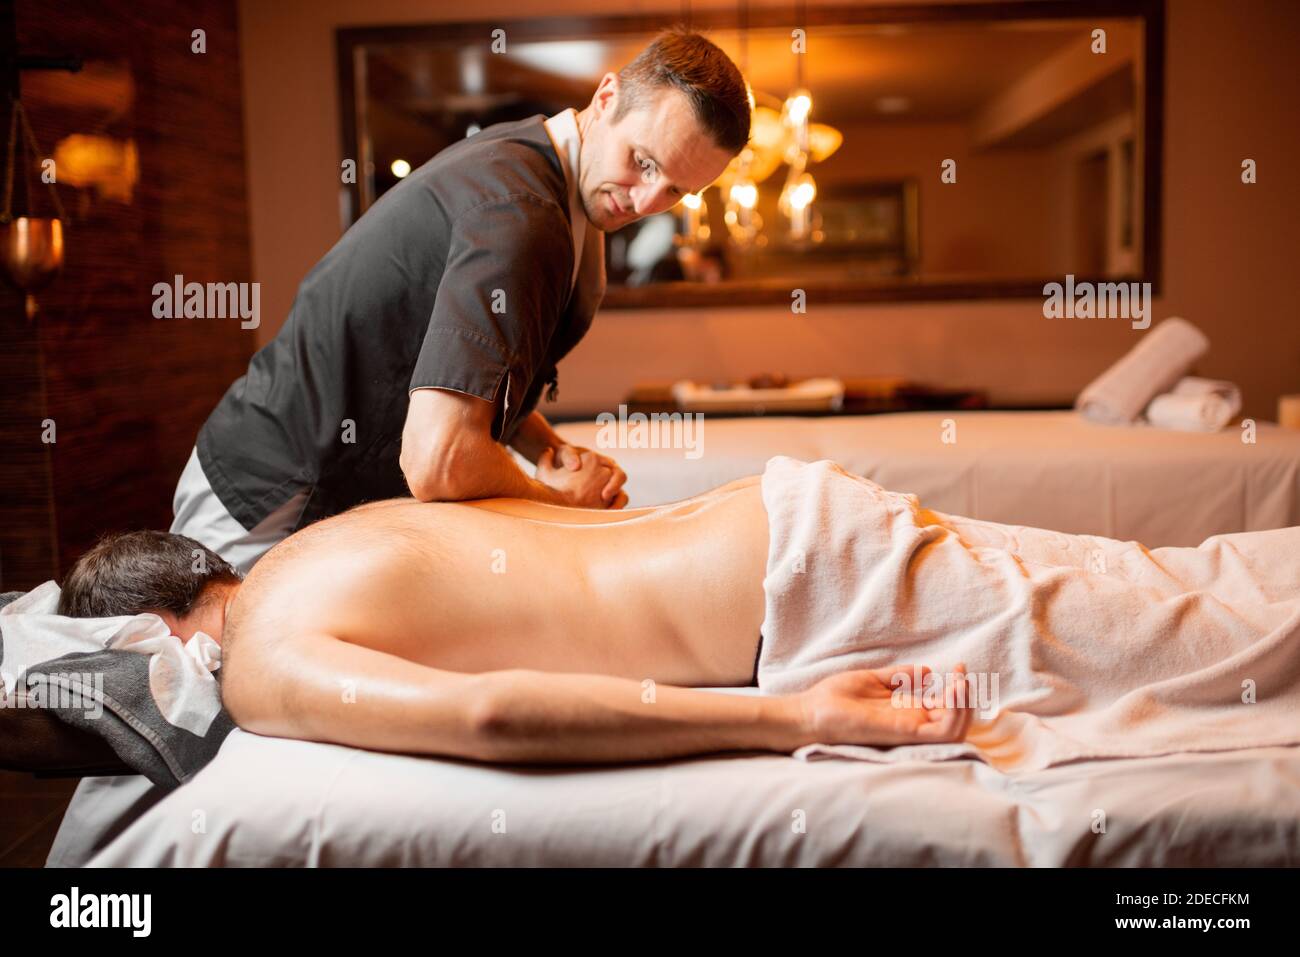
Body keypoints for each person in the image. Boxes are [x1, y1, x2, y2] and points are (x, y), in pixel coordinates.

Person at [170, 28, 751, 573]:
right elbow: (438, 458)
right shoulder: (519, 213)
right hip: (271, 498)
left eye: (677, 189)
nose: (646, 200)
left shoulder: (564, 186)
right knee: (205, 678)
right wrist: (556, 500)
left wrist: (546, 448)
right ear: (606, 97)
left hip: (318, 495)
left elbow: (474, 373)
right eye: (643, 162)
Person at [56, 474, 976, 765]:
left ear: (153, 627)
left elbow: (490, 714)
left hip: (799, 591)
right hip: (789, 512)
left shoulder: (256, 658)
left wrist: (801, 718)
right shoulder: (342, 528)